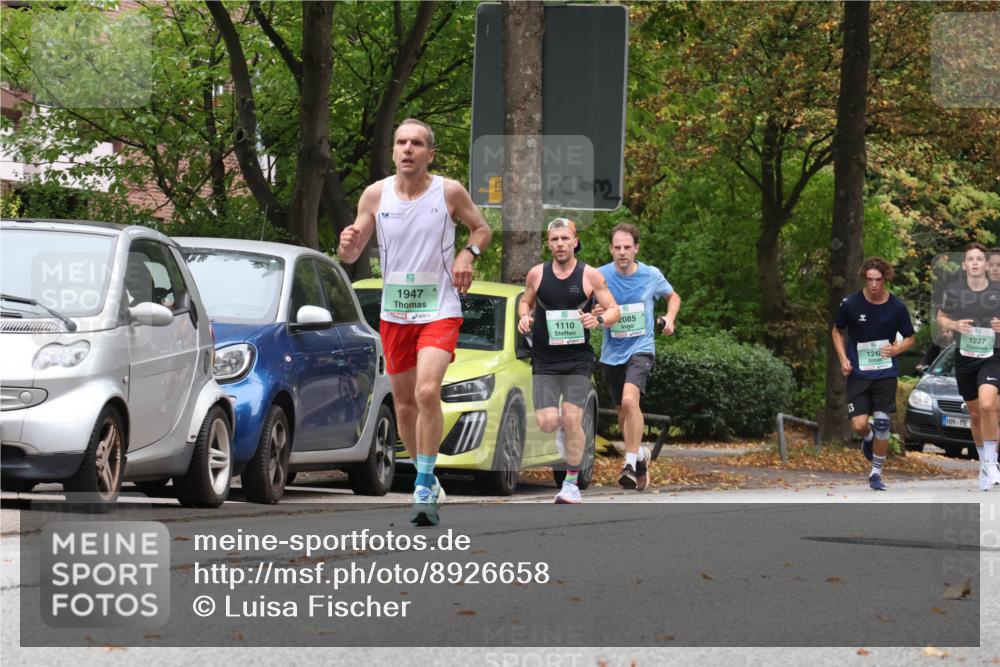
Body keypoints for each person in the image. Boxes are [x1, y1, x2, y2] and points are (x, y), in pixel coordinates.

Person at [338, 118, 491, 526]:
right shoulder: (375, 195)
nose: (408, 148)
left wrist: (468, 254)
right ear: (393, 151)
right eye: (401, 142)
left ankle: (422, 484)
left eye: (416, 143)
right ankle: (428, 474)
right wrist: (347, 245)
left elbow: (481, 229)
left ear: (430, 154)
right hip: (395, 313)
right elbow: (351, 253)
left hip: (439, 309)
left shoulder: (448, 192)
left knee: (427, 391)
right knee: (404, 404)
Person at [517, 218, 619, 504]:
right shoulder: (537, 274)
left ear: (575, 242)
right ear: (548, 243)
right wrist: (524, 317)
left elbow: (614, 310)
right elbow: (525, 302)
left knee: (573, 418)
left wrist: (598, 319)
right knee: (548, 423)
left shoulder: (590, 275)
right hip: (545, 359)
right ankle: (565, 429)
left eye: (565, 239)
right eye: (554, 239)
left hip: (577, 359)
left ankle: (571, 483)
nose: (560, 244)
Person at [591, 223, 680, 491]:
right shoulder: (599, 275)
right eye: (617, 247)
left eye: (627, 247)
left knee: (631, 401)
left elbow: (673, 297)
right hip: (612, 353)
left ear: (636, 249)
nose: (622, 252)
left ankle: (629, 466)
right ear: (610, 249)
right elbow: (589, 306)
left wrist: (670, 318)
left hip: (641, 348)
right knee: (623, 414)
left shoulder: (651, 275)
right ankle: (640, 454)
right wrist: (596, 311)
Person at [832, 257, 915, 491]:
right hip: (859, 373)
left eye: (878, 279)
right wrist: (843, 358)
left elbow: (910, 337)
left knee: (882, 422)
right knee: (859, 426)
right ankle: (868, 438)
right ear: (864, 278)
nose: (874, 285)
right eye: (870, 280)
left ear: (885, 278)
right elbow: (837, 331)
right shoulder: (850, 304)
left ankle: (876, 473)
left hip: (885, 372)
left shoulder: (897, 307)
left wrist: (897, 349)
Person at [936, 242, 1000, 490]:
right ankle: (984, 463)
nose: (975, 263)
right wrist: (954, 325)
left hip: (993, 356)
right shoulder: (954, 291)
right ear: (964, 265)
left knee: (987, 405)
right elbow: (941, 318)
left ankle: (992, 462)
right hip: (965, 358)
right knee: (974, 414)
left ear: (986, 265)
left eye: (979, 259)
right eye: (970, 259)